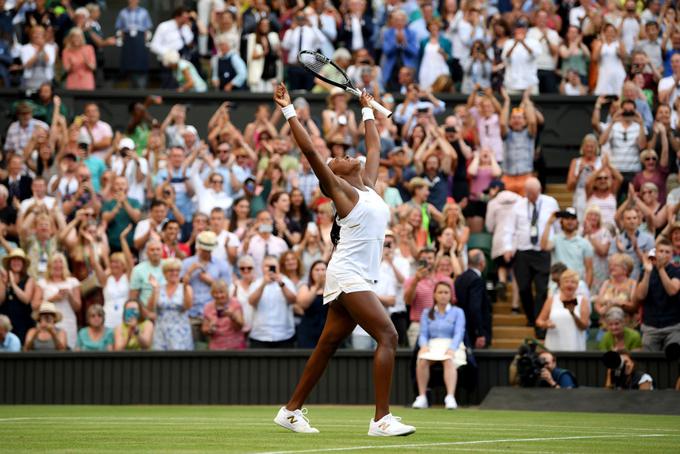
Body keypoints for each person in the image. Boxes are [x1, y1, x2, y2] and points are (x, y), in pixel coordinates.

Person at [273, 84, 415, 436]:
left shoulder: (366, 184)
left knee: (327, 346)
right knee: (388, 335)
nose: (344, 155)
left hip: (356, 278)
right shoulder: (341, 190)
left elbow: (374, 146)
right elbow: (310, 151)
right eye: (336, 158)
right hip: (348, 275)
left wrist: (366, 109)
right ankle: (381, 419)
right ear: (334, 173)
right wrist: (289, 110)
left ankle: (290, 411)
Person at [502, 177, 559, 328]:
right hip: (523, 251)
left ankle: (538, 321)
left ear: (539, 191)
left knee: (542, 289)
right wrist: (508, 247)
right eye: (528, 193)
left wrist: (558, 243)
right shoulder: (518, 206)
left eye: (533, 193)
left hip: (543, 252)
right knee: (523, 287)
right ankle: (531, 317)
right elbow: (509, 228)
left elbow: (557, 225)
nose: (530, 196)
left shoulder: (550, 202)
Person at [412, 281, 466, 410]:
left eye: (446, 292)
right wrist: (424, 346)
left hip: (452, 344)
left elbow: (459, 332)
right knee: (423, 360)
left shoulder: (458, 312)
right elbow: (423, 334)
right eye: (440, 292)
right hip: (432, 345)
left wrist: (452, 348)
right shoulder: (426, 313)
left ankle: (450, 397)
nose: (443, 295)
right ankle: (422, 397)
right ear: (435, 295)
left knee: (448, 360)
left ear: (450, 295)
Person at [181, 230, 231, 348]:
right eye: (204, 249)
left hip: (212, 314)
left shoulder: (221, 264)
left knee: (212, 350)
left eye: (208, 249)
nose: (206, 252)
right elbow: (179, 286)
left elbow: (226, 289)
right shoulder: (187, 263)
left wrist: (211, 281)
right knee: (191, 349)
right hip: (192, 313)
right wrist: (189, 272)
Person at [632, 238, 680, 352]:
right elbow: (640, 296)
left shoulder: (676, 271)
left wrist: (661, 269)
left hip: (673, 327)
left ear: (672, 255)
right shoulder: (646, 271)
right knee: (649, 363)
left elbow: (672, 290)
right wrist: (648, 273)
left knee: (673, 359)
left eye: (667, 252)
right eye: (661, 251)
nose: (663, 254)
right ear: (655, 253)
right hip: (650, 327)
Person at [32, 253, 81, 350]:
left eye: (60, 262)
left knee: (67, 348)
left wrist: (69, 295)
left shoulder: (73, 281)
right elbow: (34, 305)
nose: (58, 265)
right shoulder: (42, 283)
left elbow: (78, 307)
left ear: (65, 265)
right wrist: (53, 298)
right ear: (50, 265)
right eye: (55, 262)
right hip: (47, 322)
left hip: (68, 321)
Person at [536, 269, 590, 351]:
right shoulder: (552, 299)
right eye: (566, 281)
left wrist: (573, 314)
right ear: (561, 284)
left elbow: (584, 326)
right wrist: (545, 324)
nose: (569, 284)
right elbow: (539, 321)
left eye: (573, 282)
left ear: (577, 285)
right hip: (553, 346)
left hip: (574, 347)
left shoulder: (582, 301)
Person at [540, 207, 594, 288]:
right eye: (567, 218)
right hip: (556, 286)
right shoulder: (556, 239)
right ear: (562, 221)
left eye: (572, 219)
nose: (570, 221)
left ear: (577, 222)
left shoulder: (584, 243)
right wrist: (549, 223)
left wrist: (585, 289)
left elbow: (589, 269)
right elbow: (544, 246)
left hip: (576, 286)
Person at [148, 258, 193, 351]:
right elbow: (150, 308)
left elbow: (187, 306)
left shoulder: (186, 288)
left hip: (180, 332)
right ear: (164, 273)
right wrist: (155, 290)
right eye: (171, 270)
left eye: (177, 270)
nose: (174, 273)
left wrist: (184, 287)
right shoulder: (159, 288)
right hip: (161, 331)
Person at [454, 249, 491, 349]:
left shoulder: (460, 278)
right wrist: (479, 333)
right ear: (482, 263)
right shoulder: (477, 280)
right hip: (474, 333)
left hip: (463, 328)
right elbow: (475, 308)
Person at [0, 248, 35, 344]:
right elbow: (1, 300)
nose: (16, 262)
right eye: (14, 260)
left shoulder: (29, 279)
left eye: (19, 260)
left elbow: (26, 299)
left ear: (23, 263)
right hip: (6, 323)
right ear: (9, 263)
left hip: (23, 322)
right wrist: (3, 283)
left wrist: (13, 284)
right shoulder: (3, 278)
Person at [202, 279, 245, 350]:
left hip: (235, 347)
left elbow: (240, 326)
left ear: (227, 292)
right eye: (215, 293)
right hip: (216, 348)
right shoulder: (208, 307)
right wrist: (210, 329)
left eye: (221, 292)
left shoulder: (235, 303)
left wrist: (232, 316)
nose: (219, 295)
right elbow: (204, 329)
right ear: (212, 294)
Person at [295, 261, 328, 349]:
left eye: (323, 269)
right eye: (317, 270)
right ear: (311, 273)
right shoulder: (305, 287)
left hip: (327, 329)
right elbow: (304, 304)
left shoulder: (332, 288)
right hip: (308, 329)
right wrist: (317, 286)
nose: (320, 272)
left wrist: (326, 286)